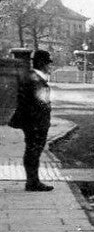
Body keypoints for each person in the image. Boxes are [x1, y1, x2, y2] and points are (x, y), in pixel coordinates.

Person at [9, 50, 55, 192]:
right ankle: (33, 183)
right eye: (48, 64)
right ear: (41, 64)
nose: (49, 67)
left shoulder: (32, 77)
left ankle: (33, 181)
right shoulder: (35, 79)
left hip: (34, 121)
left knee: (32, 151)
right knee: (33, 151)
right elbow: (40, 102)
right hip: (35, 122)